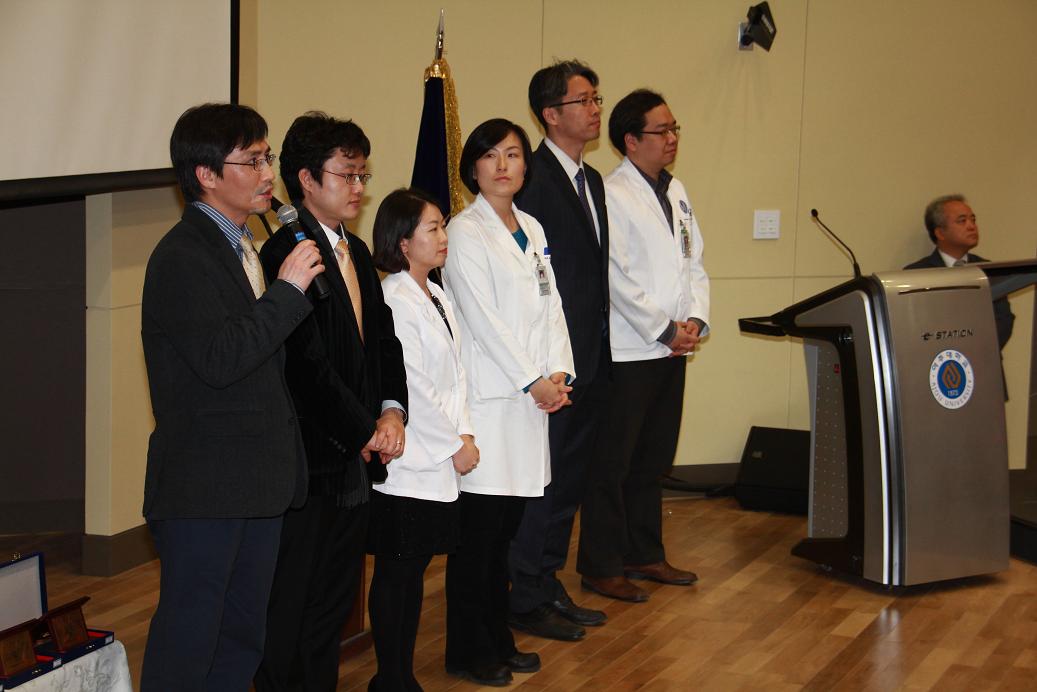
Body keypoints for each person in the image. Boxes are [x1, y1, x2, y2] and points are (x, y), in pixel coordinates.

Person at [140, 102, 324, 691]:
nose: (269, 173)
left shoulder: (244, 244)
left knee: (242, 638)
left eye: (268, 158)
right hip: (206, 486)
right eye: (253, 161)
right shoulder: (181, 257)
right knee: (191, 642)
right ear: (207, 175)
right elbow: (221, 359)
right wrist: (288, 292)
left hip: (256, 479)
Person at [255, 112, 408, 692]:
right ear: (306, 179)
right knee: (292, 599)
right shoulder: (285, 253)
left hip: (355, 456)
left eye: (363, 174)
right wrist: (363, 428)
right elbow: (306, 366)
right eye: (347, 174)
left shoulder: (357, 251)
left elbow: (384, 342)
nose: (359, 187)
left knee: (335, 599)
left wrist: (391, 410)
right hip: (311, 459)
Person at [442, 118, 575, 686]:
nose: (503, 165)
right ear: (472, 167)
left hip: (530, 402)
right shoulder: (464, 231)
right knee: (479, 539)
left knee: (504, 536)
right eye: (491, 155)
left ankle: (498, 638)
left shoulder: (533, 226)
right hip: (493, 403)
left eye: (514, 154)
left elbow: (552, 306)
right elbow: (483, 319)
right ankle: (469, 650)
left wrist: (560, 370)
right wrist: (532, 380)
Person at [578, 89, 709, 603]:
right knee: (613, 462)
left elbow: (693, 262)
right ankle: (602, 564)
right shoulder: (613, 194)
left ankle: (644, 553)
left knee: (653, 457)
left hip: (673, 348)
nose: (672, 138)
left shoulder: (676, 190)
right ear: (631, 140)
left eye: (675, 128)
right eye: (662, 130)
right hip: (632, 349)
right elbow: (615, 276)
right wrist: (663, 328)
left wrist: (694, 320)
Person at [507, 58, 612, 643]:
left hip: (589, 358)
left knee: (569, 481)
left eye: (597, 98)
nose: (594, 109)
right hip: (549, 364)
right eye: (583, 100)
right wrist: (545, 364)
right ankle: (524, 593)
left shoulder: (591, 179)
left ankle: (547, 582)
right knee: (543, 484)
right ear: (550, 114)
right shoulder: (533, 179)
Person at [366, 187, 478, 691]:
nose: (443, 235)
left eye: (443, 225)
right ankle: (391, 679)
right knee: (399, 572)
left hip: (439, 454)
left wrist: (465, 432)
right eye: (432, 227)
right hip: (408, 461)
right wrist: (454, 445)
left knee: (413, 572)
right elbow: (411, 384)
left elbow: (456, 375)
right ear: (403, 242)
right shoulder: (393, 298)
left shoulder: (436, 292)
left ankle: (399, 676)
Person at [904, 194, 1014, 351]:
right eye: (962, 221)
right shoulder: (916, 274)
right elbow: (914, 326)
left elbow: (1003, 319)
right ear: (940, 233)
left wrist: (976, 349)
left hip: (984, 358)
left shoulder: (988, 270)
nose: (971, 226)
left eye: (973, 220)